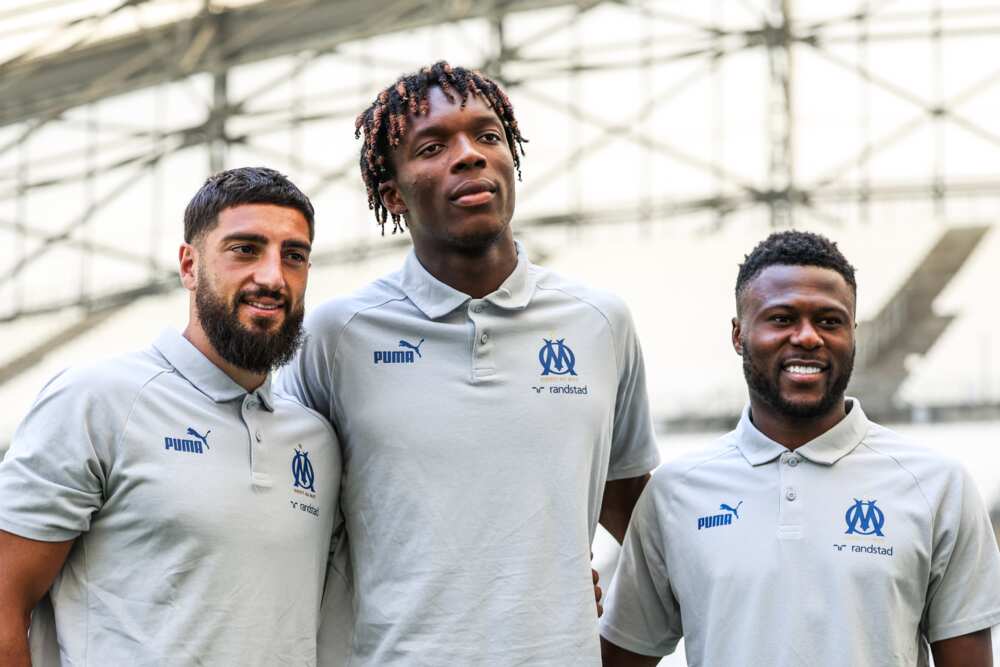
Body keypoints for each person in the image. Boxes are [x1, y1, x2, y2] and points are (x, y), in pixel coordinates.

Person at [278, 61, 660, 665]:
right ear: (392, 195)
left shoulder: (599, 322)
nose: (469, 156)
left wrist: (616, 641)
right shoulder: (337, 336)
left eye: (488, 136)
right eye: (432, 146)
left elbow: (649, 528)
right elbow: (281, 518)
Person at [600, 230, 1000, 666]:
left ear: (853, 334)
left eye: (829, 321)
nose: (808, 337)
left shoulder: (937, 485)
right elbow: (621, 657)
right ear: (738, 335)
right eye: (782, 319)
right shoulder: (674, 494)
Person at [0, 167, 344, 666]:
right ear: (189, 265)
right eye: (245, 249)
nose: (272, 276)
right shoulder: (97, 401)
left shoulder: (316, 440)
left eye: (294, 256)